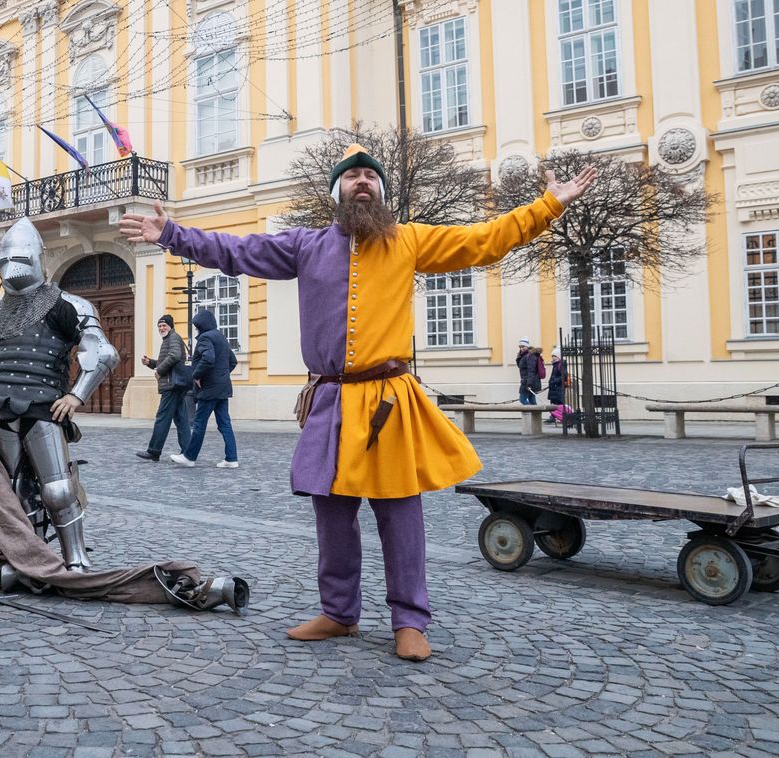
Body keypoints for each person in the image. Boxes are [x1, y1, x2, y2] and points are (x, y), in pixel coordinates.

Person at [119, 144, 596, 661]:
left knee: (400, 513)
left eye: (370, 175)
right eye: (352, 177)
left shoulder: (410, 240)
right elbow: (239, 251)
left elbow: (484, 241)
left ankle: (410, 621)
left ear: (381, 191)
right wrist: (170, 234)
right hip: (329, 399)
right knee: (332, 511)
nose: (362, 181)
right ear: (338, 193)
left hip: (389, 397)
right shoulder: (306, 245)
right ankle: (339, 613)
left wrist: (548, 204)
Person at [0, 217, 120, 572]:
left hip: (44, 407)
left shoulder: (67, 304)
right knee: (8, 493)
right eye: (5, 260)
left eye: (18, 258)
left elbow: (102, 352)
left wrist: (76, 396)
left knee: (58, 489)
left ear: (36, 259)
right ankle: (21, 557)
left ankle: (75, 557)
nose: (11, 267)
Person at [170, 310, 238, 469]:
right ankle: (231, 458)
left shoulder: (205, 338)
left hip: (209, 389)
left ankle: (189, 457)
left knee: (199, 423)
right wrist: (221, 376)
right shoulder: (221, 337)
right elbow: (232, 361)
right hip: (222, 388)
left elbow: (208, 358)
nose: (196, 330)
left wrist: (197, 375)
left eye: (196, 326)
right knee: (225, 424)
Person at [137, 314, 192, 462]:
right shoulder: (169, 339)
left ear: (170, 326)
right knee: (181, 419)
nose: (161, 328)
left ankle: (154, 451)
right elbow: (168, 361)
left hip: (171, 385)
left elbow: (174, 356)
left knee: (162, 418)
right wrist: (150, 363)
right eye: (159, 326)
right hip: (175, 385)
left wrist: (159, 371)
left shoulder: (173, 337)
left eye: (164, 325)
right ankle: (188, 452)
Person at [547, 346, 569, 423]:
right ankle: (553, 417)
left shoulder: (561, 365)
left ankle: (563, 417)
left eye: (555, 356)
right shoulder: (555, 365)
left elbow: (563, 375)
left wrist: (554, 381)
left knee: (559, 403)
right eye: (553, 356)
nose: (553, 358)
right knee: (553, 403)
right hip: (554, 388)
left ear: (559, 357)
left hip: (558, 387)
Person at [515, 338, 536, 405]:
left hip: (528, 382)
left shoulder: (529, 356)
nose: (521, 348)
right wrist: (518, 358)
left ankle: (532, 413)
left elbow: (531, 370)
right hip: (527, 381)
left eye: (523, 346)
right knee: (532, 401)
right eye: (520, 347)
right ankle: (536, 415)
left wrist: (529, 384)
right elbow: (520, 366)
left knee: (522, 399)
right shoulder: (523, 356)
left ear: (527, 346)